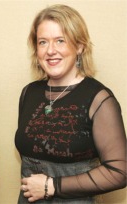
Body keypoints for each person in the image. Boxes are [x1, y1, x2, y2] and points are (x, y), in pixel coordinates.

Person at [15, 4, 126, 204]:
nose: (50, 51)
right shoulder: (29, 93)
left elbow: (119, 171)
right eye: (42, 42)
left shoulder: (99, 99)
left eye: (60, 41)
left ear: (80, 46)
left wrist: (51, 186)